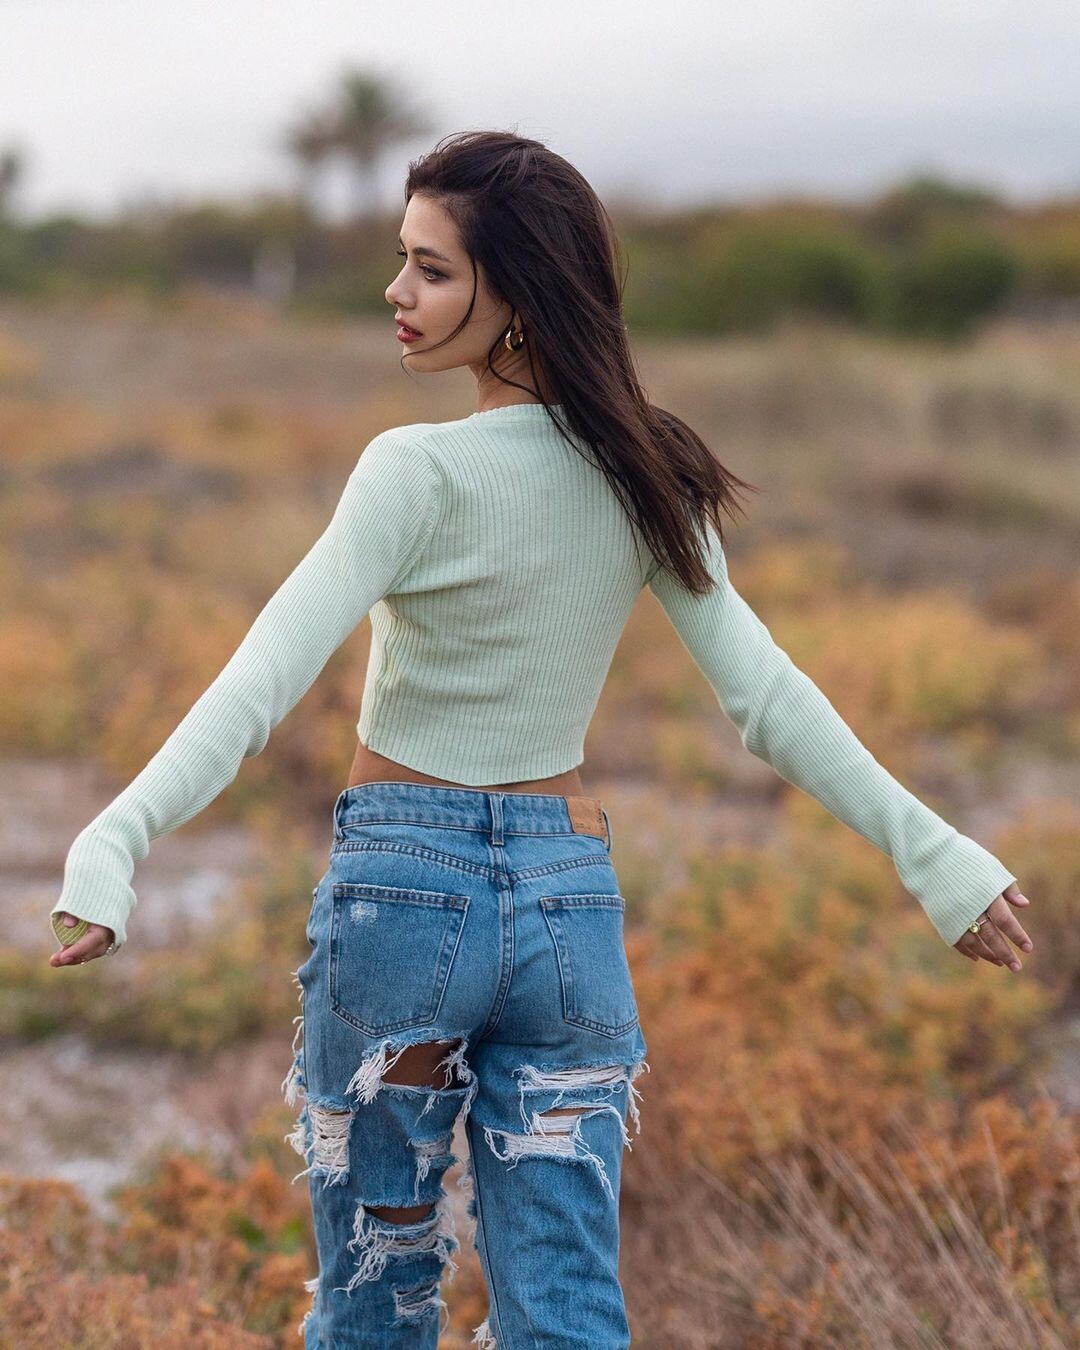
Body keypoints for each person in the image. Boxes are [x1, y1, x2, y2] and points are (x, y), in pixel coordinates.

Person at [49, 130, 1034, 1348]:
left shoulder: (415, 471)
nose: (397, 293)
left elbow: (264, 682)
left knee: (374, 1301)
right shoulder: (644, 469)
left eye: (432, 270)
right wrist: (939, 859)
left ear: (516, 293)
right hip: (568, 907)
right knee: (566, 1313)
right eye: (402, 262)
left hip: (405, 903)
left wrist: (117, 839)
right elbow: (769, 702)